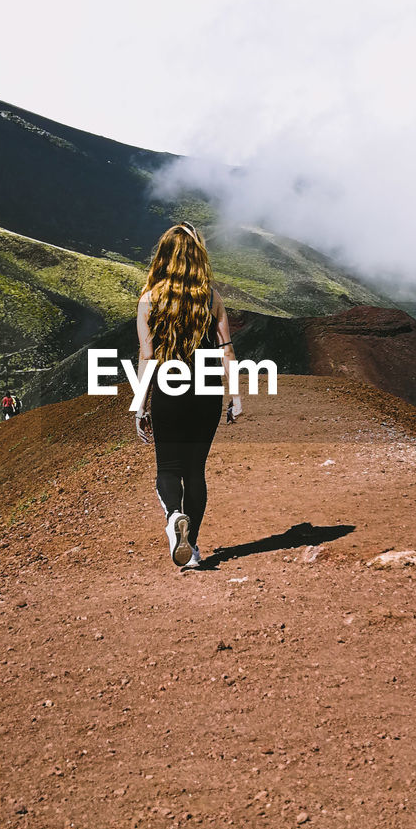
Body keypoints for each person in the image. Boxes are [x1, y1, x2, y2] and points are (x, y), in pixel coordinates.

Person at [134, 222, 242, 569]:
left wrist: (139, 406)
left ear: (164, 256)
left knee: (168, 467)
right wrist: (236, 396)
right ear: (197, 256)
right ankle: (191, 547)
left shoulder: (150, 300)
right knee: (195, 471)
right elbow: (227, 351)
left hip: (170, 388)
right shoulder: (210, 297)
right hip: (207, 390)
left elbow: (147, 357)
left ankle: (173, 517)